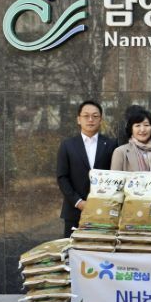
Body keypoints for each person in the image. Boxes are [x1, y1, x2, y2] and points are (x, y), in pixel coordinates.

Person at [57, 100, 117, 237]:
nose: (90, 119)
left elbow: (115, 175)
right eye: (86, 116)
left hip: (104, 211)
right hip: (74, 211)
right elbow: (62, 177)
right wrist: (78, 202)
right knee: (73, 248)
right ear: (79, 119)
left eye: (95, 116)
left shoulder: (111, 144)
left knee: (100, 248)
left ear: (100, 119)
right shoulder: (67, 145)